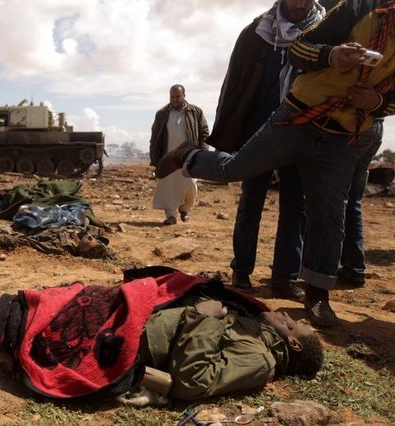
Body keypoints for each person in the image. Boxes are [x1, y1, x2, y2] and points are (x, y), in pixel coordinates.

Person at [156, 0, 392, 326]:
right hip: (291, 120)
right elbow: (296, 52)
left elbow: (391, 101)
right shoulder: (356, 10)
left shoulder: (325, 15)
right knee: (236, 173)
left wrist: (377, 102)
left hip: (340, 135)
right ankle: (189, 157)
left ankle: (312, 292)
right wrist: (332, 55)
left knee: (325, 215)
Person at [0, 270, 323, 402]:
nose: (284, 314)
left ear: (293, 345)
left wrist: (206, 316)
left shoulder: (259, 359)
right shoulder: (253, 324)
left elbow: (194, 380)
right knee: (19, 312)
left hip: (115, 343)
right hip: (122, 312)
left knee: (3, 336)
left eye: (292, 323)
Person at [208, 0, 326, 299]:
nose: (300, 4)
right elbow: (234, 84)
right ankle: (241, 270)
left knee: (295, 205)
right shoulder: (257, 32)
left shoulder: (325, 30)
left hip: (303, 130)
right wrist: (230, 131)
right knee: (251, 202)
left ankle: (285, 278)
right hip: (258, 131)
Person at [149, 85, 209, 225]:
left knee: (190, 184)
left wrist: (203, 151)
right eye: (172, 97)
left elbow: (204, 132)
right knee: (168, 185)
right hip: (168, 156)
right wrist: (155, 158)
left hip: (189, 155)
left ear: (184, 95)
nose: (175, 99)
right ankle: (171, 215)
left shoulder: (195, 112)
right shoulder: (162, 113)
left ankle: (185, 210)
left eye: (178, 96)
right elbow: (155, 136)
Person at [338, 119, 383, 286]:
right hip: (375, 128)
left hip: (353, 128)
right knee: (353, 201)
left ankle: (318, 267)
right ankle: (354, 268)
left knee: (334, 197)